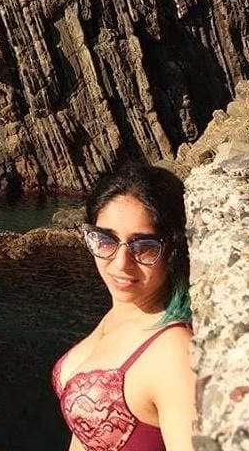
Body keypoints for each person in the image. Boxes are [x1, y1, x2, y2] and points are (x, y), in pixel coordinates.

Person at [50, 160, 198, 451]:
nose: (120, 264)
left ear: (172, 249)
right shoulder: (119, 315)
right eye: (105, 239)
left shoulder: (175, 354)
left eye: (144, 246)